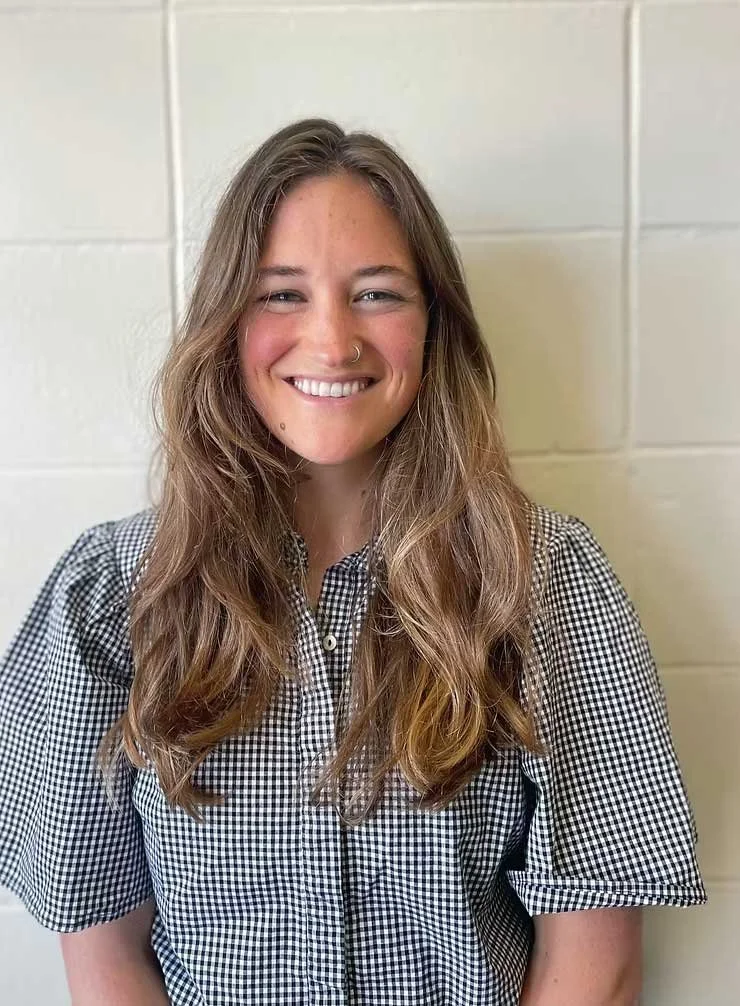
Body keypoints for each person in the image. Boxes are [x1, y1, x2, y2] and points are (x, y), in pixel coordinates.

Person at [0, 119, 704, 1006]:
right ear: (226, 323)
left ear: (433, 325)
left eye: (376, 293)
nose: (332, 342)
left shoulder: (546, 581)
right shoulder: (110, 597)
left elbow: (598, 966)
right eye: (281, 294)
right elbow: (104, 960)